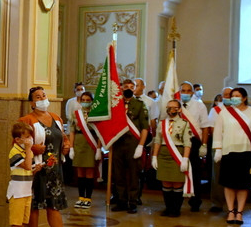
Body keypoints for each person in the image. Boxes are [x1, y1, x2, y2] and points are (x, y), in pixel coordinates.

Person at [19, 87, 71, 227]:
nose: (42, 99)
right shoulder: (26, 120)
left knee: (53, 206)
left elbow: (63, 137)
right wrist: (33, 147)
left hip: (54, 170)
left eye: (44, 96)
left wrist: (66, 145)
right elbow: (18, 142)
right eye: (38, 97)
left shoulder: (56, 118)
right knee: (35, 206)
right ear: (32, 103)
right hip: (36, 169)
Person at [212, 87, 251, 225]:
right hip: (229, 152)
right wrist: (218, 149)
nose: (234, 98)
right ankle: (230, 211)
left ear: (244, 98)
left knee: (243, 184)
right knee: (228, 184)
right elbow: (218, 132)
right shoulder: (225, 113)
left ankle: (239, 212)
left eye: (237, 96)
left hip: (247, 152)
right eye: (232, 96)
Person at [110, 78, 149, 213]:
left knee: (133, 174)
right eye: (126, 86)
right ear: (120, 88)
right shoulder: (115, 105)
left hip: (133, 142)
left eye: (131, 87)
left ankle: (132, 201)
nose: (128, 89)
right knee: (118, 174)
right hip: (118, 143)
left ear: (135, 89)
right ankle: (121, 200)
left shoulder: (139, 105)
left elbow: (145, 127)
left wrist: (141, 145)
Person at [151, 99, 192, 217]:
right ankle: (168, 208)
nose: (171, 109)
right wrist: (154, 156)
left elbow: (187, 143)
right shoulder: (162, 123)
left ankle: (176, 209)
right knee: (166, 182)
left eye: (174, 107)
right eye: (169, 107)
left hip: (178, 153)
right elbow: (158, 140)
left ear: (179, 109)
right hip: (163, 154)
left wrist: (185, 159)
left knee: (177, 182)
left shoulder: (184, 123)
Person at [7, 122, 41, 227]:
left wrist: (36, 168)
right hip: (17, 192)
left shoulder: (27, 152)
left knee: (22, 223)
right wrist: (28, 149)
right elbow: (26, 165)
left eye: (30, 137)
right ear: (17, 140)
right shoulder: (14, 152)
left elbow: (29, 169)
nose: (30, 140)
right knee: (16, 223)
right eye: (26, 138)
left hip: (27, 191)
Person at [69, 90, 102, 209]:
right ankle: (81, 197)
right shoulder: (75, 114)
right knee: (80, 172)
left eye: (88, 100)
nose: (85, 102)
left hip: (91, 142)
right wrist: (71, 147)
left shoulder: (96, 114)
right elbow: (72, 131)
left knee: (89, 171)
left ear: (92, 101)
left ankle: (88, 198)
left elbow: (99, 133)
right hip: (78, 141)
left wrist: (98, 148)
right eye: (83, 100)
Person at [177, 81, 207, 212]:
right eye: (183, 91)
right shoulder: (175, 105)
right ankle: (176, 200)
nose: (186, 93)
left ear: (192, 92)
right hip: (177, 143)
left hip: (193, 142)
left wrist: (204, 145)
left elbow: (205, 127)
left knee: (195, 172)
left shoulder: (199, 106)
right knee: (177, 171)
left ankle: (195, 201)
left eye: (188, 91)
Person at [204, 87, 233, 214]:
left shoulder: (240, 110)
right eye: (225, 95)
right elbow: (211, 129)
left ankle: (232, 204)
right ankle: (217, 203)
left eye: (230, 94)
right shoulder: (216, 110)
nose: (227, 96)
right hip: (219, 145)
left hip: (235, 146)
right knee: (217, 175)